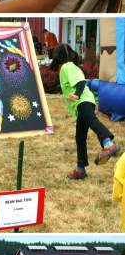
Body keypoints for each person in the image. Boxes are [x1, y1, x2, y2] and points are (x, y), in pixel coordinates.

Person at [51, 44, 120, 179]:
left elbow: (81, 82)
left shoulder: (68, 66)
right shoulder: (70, 67)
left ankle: (108, 144)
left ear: (58, 56)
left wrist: (76, 94)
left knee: (93, 122)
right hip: (82, 104)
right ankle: (80, 169)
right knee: (80, 138)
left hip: (83, 101)